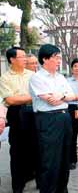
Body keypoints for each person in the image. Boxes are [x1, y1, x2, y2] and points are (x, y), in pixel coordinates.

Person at [29, 44, 75, 193]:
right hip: (48, 120)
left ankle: (62, 189)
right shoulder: (37, 78)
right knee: (49, 160)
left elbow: (72, 96)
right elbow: (49, 100)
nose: (59, 60)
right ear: (45, 59)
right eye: (56, 57)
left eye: (59, 57)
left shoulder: (61, 77)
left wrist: (61, 96)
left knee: (64, 158)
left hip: (65, 119)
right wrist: (64, 96)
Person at [0, 47, 36, 193]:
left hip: (33, 113)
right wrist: (31, 97)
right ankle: (17, 186)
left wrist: (23, 98)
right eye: (22, 57)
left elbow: (39, 94)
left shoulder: (32, 75)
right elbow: (10, 100)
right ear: (12, 59)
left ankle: (35, 177)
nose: (25, 59)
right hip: (16, 115)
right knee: (17, 151)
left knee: (34, 148)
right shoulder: (5, 77)